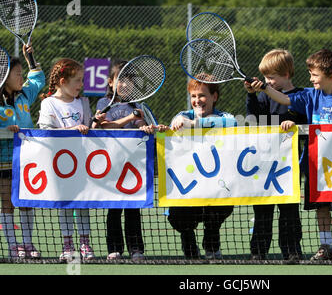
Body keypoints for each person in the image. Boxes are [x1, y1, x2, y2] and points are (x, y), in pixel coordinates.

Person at [248, 49, 332, 261]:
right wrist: (265, 88)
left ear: (330, 76)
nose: (310, 78)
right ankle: (326, 247)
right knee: (320, 206)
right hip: (315, 163)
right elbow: (285, 100)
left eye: (314, 75)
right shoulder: (310, 96)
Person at [93, 59, 162, 261]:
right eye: (120, 80)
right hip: (110, 163)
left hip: (133, 164)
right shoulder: (103, 104)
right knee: (113, 209)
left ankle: (136, 249)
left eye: (129, 80)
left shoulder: (137, 105)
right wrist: (130, 118)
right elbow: (105, 126)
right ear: (110, 82)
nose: (125, 84)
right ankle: (114, 248)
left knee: (133, 208)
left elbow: (141, 122)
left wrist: (143, 126)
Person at [244, 49, 306, 261]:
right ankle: (258, 251)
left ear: (287, 74)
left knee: (289, 209)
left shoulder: (301, 95)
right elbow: (253, 119)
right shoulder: (263, 96)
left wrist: (295, 124)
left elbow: (306, 121)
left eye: (271, 77)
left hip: (290, 164)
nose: (267, 81)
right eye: (265, 77)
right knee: (262, 207)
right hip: (264, 162)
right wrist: (251, 95)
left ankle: (291, 250)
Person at [164, 74, 235, 259]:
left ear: (215, 97)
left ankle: (212, 244)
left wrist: (195, 124)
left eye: (202, 95)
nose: (197, 100)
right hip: (188, 189)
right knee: (177, 216)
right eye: (193, 96)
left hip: (216, 189)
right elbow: (176, 122)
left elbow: (233, 122)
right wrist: (180, 123)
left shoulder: (224, 118)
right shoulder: (183, 116)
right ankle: (188, 239)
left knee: (219, 210)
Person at [37, 58, 96, 262]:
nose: (81, 85)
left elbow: (90, 128)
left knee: (82, 204)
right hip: (58, 165)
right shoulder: (48, 103)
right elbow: (45, 131)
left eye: (82, 80)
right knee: (64, 205)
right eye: (77, 80)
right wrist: (72, 129)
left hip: (82, 164)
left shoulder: (84, 103)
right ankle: (67, 244)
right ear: (63, 81)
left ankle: (85, 243)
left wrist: (96, 124)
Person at [0, 44, 45, 259]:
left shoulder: (25, 95)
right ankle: (13, 246)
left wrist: (30, 60)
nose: (21, 77)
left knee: (26, 201)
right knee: (7, 202)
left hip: (27, 160)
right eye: (17, 74)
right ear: (4, 77)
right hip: (4, 161)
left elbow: (38, 80)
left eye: (21, 73)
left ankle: (28, 243)